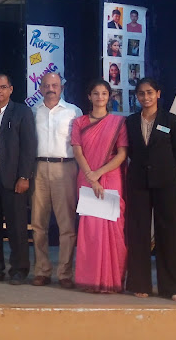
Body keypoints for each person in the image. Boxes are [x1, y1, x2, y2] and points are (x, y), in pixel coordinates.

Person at [125, 78, 176, 301]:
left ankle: (174, 287)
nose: (146, 97)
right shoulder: (131, 121)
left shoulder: (170, 120)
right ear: (137, 96)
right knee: (138, 232)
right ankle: (139, 283)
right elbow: (130, 151)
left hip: (166, 183)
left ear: (158, 94)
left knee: (169, 232)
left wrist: (163, 168)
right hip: (138, 183)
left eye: (150, 92)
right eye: (141, 93)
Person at [71, 79, 128, 293]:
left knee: (113, 226)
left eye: (104, 93)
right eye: (96, 93)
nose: (100, 97)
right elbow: (77, 151)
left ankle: (112, 280)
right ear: (89, 96)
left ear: (109, 96)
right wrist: (91, 177)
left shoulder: (118, 123)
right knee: (91, 229)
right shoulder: (79, 122)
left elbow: (122, 154)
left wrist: (98, 173)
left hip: (111, 177)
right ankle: (90, 279)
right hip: (86, 178)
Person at [0, 73, 36, 285]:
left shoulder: (22, 112)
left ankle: (19, 270)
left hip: (13, 179)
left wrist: (24, 176)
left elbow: (29, 147)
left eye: (3, 87)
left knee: (16, 226)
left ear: (11, 89)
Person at [30, 73, 82, 289]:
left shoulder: (74, 111)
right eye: (46, 85)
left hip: (65, 168)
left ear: (62, 87)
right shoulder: (33, 111)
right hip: (38, 168)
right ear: (40, 88)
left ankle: (65, 273)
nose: (50, 89)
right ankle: (42, 271)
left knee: (66, 224)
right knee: (38, 223)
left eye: (55, 85)